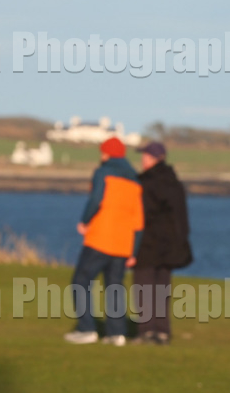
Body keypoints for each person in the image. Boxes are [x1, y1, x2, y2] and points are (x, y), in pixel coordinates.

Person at [65, 136, 142, 346]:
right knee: (114, 286)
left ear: (106, 153)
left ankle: (86, 329)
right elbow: (138, 221)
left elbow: (96, 199)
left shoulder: (103, 172)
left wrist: (84, 221)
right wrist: (134, 251)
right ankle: (116, 334)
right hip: (123, 243)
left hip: (101, 238)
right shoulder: (136, 180)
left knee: (81, 281)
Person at [131, 140, 190, 345]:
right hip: (170, 245)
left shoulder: (146, 183)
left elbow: (142, 215)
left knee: (144, 287)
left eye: (145, 156)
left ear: (153, 158)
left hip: (148, 243)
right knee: (162, 288)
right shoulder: (174, 183)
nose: (142, 159)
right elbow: (181, 217)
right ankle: (163, 331)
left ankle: (147, 331)